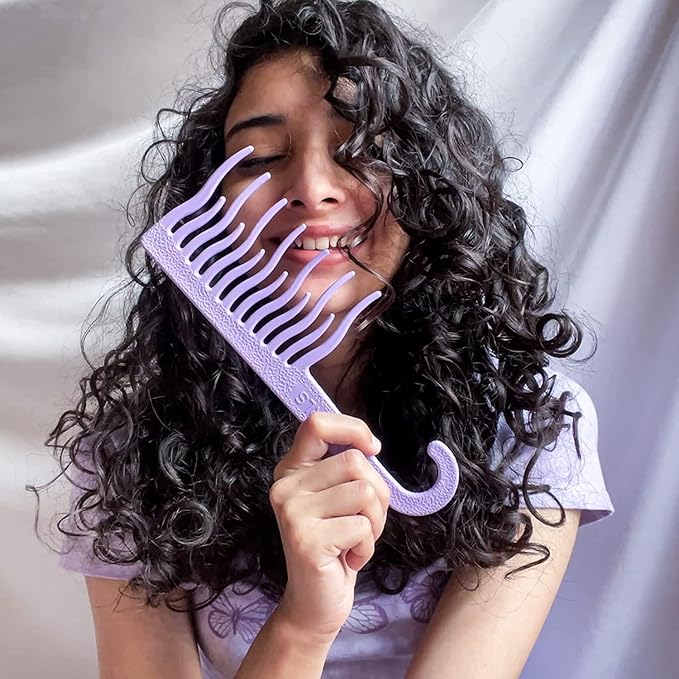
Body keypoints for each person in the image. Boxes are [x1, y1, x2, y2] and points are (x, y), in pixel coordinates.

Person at [33, 0, 615, 677]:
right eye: (260, 157)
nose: (311, 189)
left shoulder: (532, 425)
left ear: (428, 186)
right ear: (209, 198)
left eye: (360, 151)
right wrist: (303, 625)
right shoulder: (130, 452)